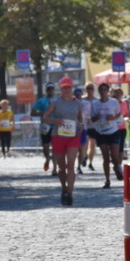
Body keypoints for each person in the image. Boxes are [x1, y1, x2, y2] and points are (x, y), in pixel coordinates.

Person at [44, 77, 87, 205]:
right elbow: (45, 118)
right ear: (61, 89)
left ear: (72, 88)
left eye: (68, 87)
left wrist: (80, 125)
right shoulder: (56, 103)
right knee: (62, 168)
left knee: (71, 165)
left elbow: (79, 118)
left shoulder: (78, 103)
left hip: (73, 136)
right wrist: (55, 121)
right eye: (64, 88)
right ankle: (64, 187)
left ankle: (70, 193)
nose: (67, 90)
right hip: (58, 136)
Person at [89, 82, 126, 188]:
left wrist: (113, 117)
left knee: (115, 155)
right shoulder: (95, 104)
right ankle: (107, 180)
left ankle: (117, 168)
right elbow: (92, 119)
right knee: (105, 157)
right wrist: (97, 116)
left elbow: (119, 114)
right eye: (101, 90)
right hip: (101, 132)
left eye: (105, 90)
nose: (103, 92)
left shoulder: (114, 102)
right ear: (99, 91)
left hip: (113, 131)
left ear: (108, 91)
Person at [32, 84, 54, 173]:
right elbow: (33, 112)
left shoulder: (57, 100)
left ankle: (55, 168)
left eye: (52, 89)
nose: (50, 90)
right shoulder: (41, 101)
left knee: (55, 147)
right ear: (46, 90)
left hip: (55, 126)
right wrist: (43, 113)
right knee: (46, 146)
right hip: (45, 126)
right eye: (48, 89)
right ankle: (47, 159)